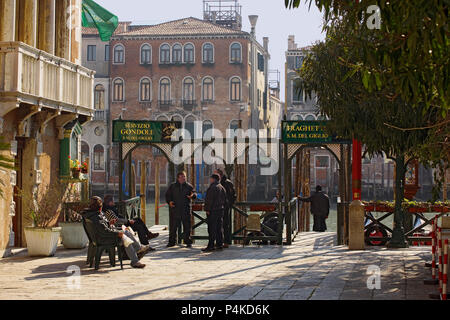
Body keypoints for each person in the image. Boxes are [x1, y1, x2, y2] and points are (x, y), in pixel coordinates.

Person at [83, 196, 150, 268]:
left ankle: (138, 250)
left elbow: (102, 227)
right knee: (126, 238)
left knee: (126, 232)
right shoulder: (97, 216)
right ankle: (135, 259)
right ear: (100, 206)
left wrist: (109, 223)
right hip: (104, 238)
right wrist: (117, 233)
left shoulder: (91, 214)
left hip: (100, 236)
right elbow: (104, 231)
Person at [165, 171, 197, 248]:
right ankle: (172, 242)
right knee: (173, 227)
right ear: (178, 178)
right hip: (175, 209)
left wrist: (192, 196)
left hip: (185, 209)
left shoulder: (189, 186)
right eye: (182, 177)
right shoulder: (172, 186)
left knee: (187, 227)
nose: (183, 178)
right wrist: (169, 202)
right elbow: (167, 195)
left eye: (184, 177)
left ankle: (188, 241)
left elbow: (194, 193)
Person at [203, 174, 227, 252]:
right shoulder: (222, 187)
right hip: (220, 210)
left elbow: (209, 200)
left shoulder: (213, 187)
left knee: (211, 228)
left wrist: (207, 209)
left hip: (213, 210)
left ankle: (211, 245)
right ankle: (220, 244)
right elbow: (224, 199)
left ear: (213, 179)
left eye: (210, 179)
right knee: (219, 228)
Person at [214, 168, 236, 248]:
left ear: (220, 175)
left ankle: (226, 241)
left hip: (225, 207)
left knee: (225, 224)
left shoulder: (227, 183)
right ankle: (219, 241)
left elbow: (232, 195)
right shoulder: (218, 183)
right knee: (218, 225)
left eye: (215, 174)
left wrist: (228, 205)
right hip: (218, 207)